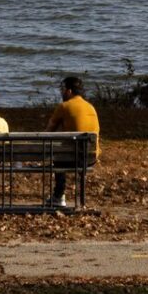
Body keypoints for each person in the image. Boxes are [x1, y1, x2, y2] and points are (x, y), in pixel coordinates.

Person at [46, 74, 99, 207]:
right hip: (90, 158)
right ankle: (76, 199)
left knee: (59, 155)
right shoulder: (90, 107)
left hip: (71, 157)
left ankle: (59, 196)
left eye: (63, 89)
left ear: (69, 91)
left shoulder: (65, 106)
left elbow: (48, 132)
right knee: (65, 150)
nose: (62, 92)